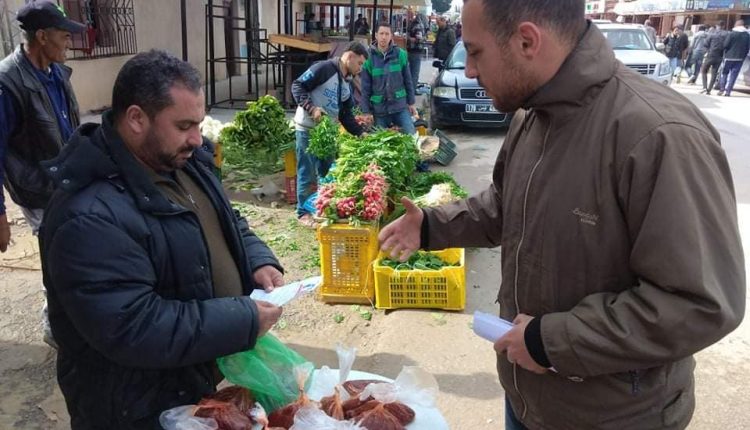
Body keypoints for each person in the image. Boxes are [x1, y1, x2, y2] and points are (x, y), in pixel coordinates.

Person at [378, 0, 745, 429]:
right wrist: (431, 226)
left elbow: (700, 303)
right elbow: (505, 204)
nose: (470, 71)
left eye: (475, 52)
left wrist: (550, 342)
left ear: (527, 41)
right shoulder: (531, 114)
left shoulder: (658, 133)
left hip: (613, 418)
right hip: (527, 401)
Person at [39, 50, 285, 428]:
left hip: (188, 381)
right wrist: (242, 320)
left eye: (198, 124)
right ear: (136, 118)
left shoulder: (181, 161)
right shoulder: (88, 215)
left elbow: (227, 219)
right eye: (184, 125)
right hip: (136, 407)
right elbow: (134, 325)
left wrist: (257, 259)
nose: (197, 138)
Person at [0, 0, 86, 347]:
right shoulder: (7, 83)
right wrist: (0, 215)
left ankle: (68, 312)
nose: (69, 42)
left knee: (73, 245)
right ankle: (55, 322)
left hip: (66, 180)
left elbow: (70, 129)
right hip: (35, 187)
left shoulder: (57, 74)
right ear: (41, 36)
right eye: (64, 35)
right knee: (57, 250)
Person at [291, 42, 368, 228]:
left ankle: (321, 207)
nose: (360, 68)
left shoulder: (347, 82)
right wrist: (312, 108)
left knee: (327, 173)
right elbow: (297, 86)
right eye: (359, 63)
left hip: (327, 133)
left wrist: (360, 133)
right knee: (307, 171)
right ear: (349, 56)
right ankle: (303, 213)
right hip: (308, 129)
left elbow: (346, 115)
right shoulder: (324, 69)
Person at [360, 23, 417, 135]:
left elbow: (408, 81)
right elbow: (365, 88)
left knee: (411, 136)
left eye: (387, 34)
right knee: (380, 142)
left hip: (400, 107)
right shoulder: (368, 58)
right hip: (380, 110)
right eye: (381, 33)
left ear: (391, 36)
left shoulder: (401, 55)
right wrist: (366, 111)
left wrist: (411, 103)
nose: (384, 37)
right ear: (376, 35)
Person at [717, 20, 750, 97]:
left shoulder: (731, 34)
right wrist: (743, 56)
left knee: (724, 73)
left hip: (728, 57)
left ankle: (722, 89)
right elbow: (747, 48)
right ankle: (728, 91)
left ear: (736, 25)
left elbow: (725, 45)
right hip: (740, 58)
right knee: (733, 75)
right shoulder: (747, 35)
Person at [700, 21, 730, 95]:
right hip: (720, 56)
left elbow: (706, 44)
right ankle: (709, 89)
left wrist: (707, 51)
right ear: (723, 26)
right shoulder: (727, 34)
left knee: (704, 70)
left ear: (716, 26)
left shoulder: (712, 33)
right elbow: (727, 45)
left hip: (710, 54)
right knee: (714, 72)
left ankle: (704, 87)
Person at [406, 11, 426, 92]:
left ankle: (408, 89)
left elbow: (407, 36)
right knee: (415, 73)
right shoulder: (419, 26)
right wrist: (424, 38)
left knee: (410, 72)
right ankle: (412, 91)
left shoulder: (411, 24)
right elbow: (418, 39)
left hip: (410, 50)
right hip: (416, 51)